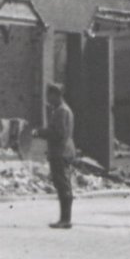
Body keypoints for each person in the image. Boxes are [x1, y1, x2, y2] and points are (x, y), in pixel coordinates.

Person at [33, 83, 77, 229]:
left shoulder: (61, 111)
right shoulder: (62, 110)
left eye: (50, 95)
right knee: (63, 184)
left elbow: (58, 133)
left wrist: (39, 132)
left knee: (63, 184)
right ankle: (64, 218)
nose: (48, 99)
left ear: (57, 95)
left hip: (60, 152)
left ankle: (65, 219)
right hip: (63, 151)